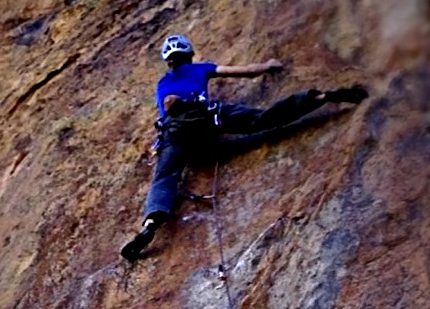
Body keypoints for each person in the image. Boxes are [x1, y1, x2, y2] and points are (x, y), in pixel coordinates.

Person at [121, 34, 366, 263]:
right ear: (189, 54)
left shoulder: (162, 83)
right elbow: (245, 72)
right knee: (262, 120)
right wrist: (268, 65)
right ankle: (315, 99)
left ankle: (151, 223)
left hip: (176, 135)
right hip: (207, 119)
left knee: (165, 178)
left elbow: (166, 111)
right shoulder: (201, 68)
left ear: (168, 60)